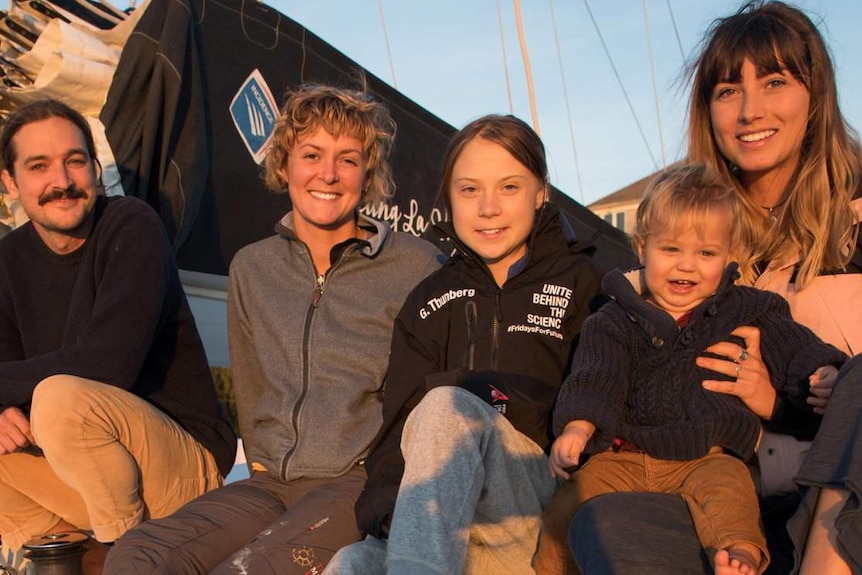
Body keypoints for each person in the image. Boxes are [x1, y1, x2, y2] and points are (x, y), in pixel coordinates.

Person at [568, 2, 862, 574]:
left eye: (774, 82)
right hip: (728, 497)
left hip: (843, 508)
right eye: (729, 90)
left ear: (816, 95)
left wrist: (785, 398)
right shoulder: (678, 248)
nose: (751, 110)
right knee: (607, 525)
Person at [103, 83, 443, 574]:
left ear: (367, 175)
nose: (328, 173)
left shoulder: (415, 265)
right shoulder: (252, 268)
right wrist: (261, 460)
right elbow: (251, 380)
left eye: (347, 159)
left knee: (250, 569)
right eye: (311, 154)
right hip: (268, 484)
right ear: (284, 165)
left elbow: (435, 388)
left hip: (360, 482)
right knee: (137, 556)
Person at [324, 114, 602, 575]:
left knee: (447, 406)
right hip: (448, 527)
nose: (487, 208)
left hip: (538, 514)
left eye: (509, 187)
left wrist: (483, 397)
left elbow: (602, 401)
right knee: (351, 562)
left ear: (541, 191)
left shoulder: (584, 285)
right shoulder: (429, 300)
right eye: (469, 190)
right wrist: (391, 513)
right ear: (449, 197)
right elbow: (396, 429)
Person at [535, 164, 847, 575]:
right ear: (642, 246)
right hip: (625, 457)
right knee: (567, 506)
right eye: (671, 250)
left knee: (731, 497)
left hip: (708, 455)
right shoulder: (615, 319)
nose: (687, 266)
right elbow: (597, 377)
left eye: (706, 253)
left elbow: (792, 345)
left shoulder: (747, 307)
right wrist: (578, 427)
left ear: (729, 254)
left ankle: (740, 557)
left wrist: (822, 369)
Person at [0, 99, 237, 573]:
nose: (62, 183)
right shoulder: (6, 261)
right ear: (9, 181)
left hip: (185, 467)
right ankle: (67, 563)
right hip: (83, 468)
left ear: (93, 166)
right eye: (39, 166)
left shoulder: (131, 224)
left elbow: (109, 363)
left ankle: (132, 558)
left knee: (58, 399)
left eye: (75, 161)